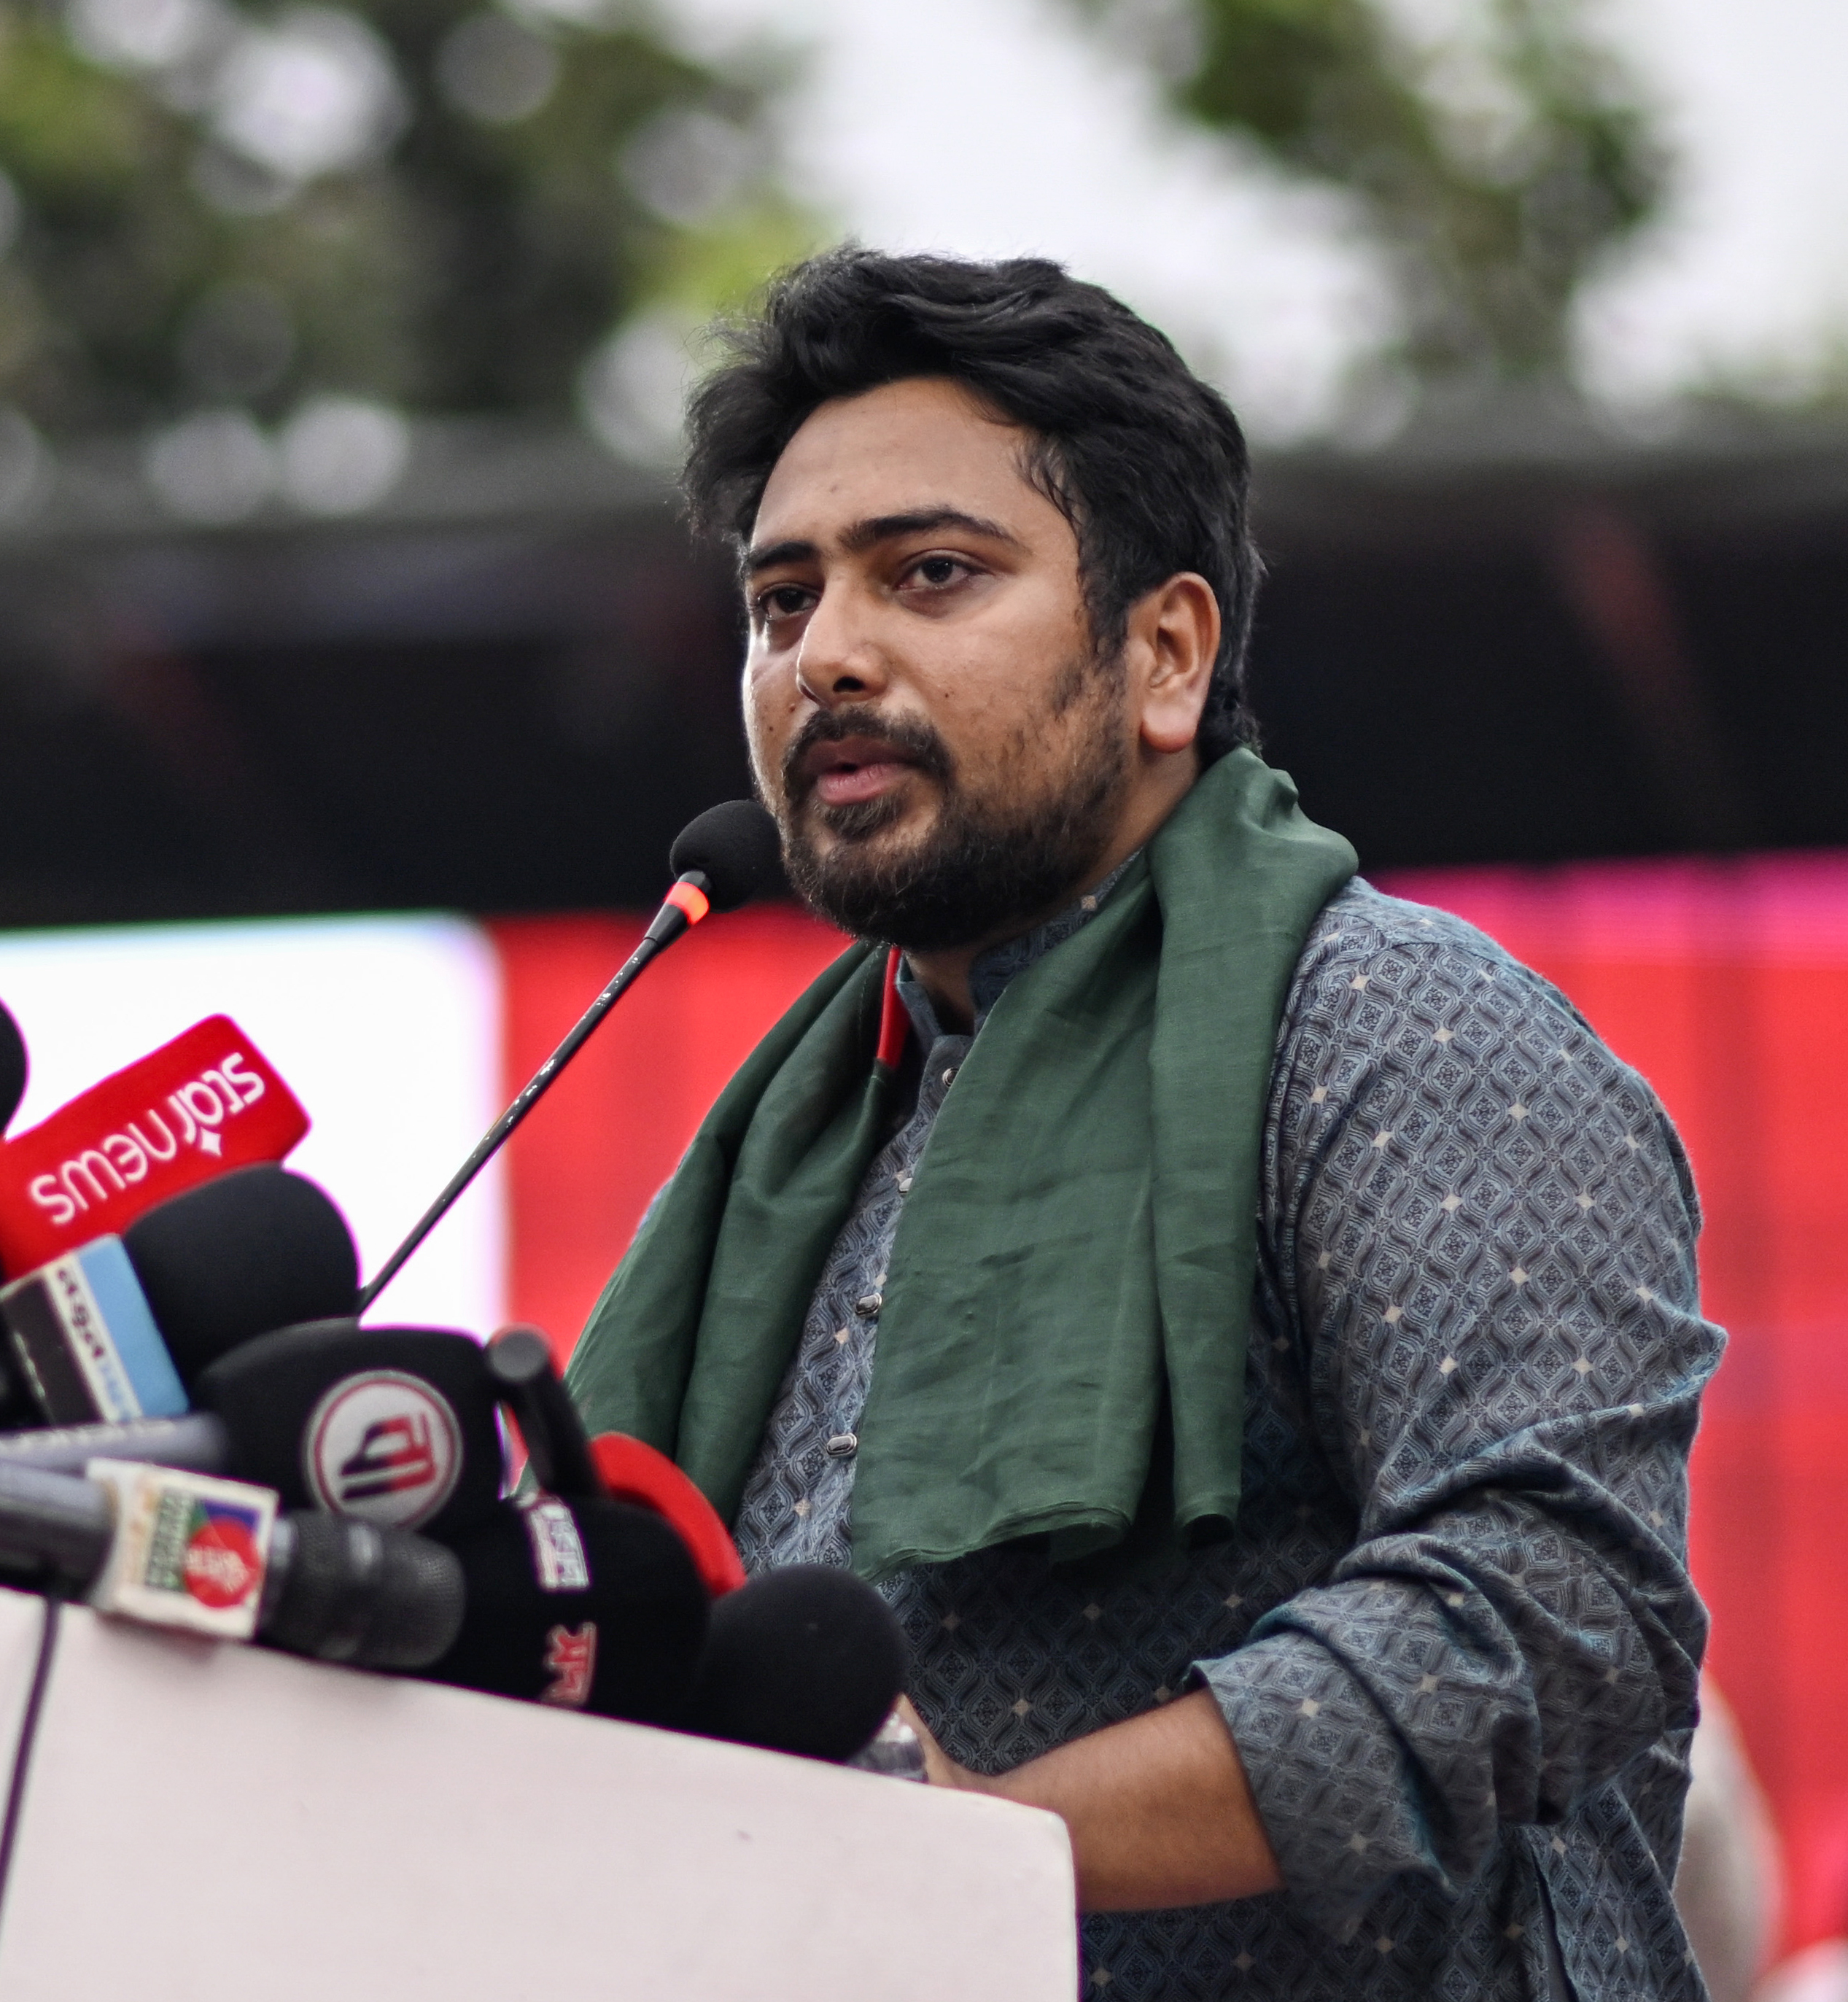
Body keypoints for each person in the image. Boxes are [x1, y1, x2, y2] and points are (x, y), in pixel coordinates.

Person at [567, 248, 1719, 2001]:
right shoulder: (795, 1150)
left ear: (1163, 650)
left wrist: (983, 1842)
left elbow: (1551, 1607)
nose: (827, 657)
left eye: (928, 576)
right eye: (780, 602)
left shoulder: (1393, 1029)